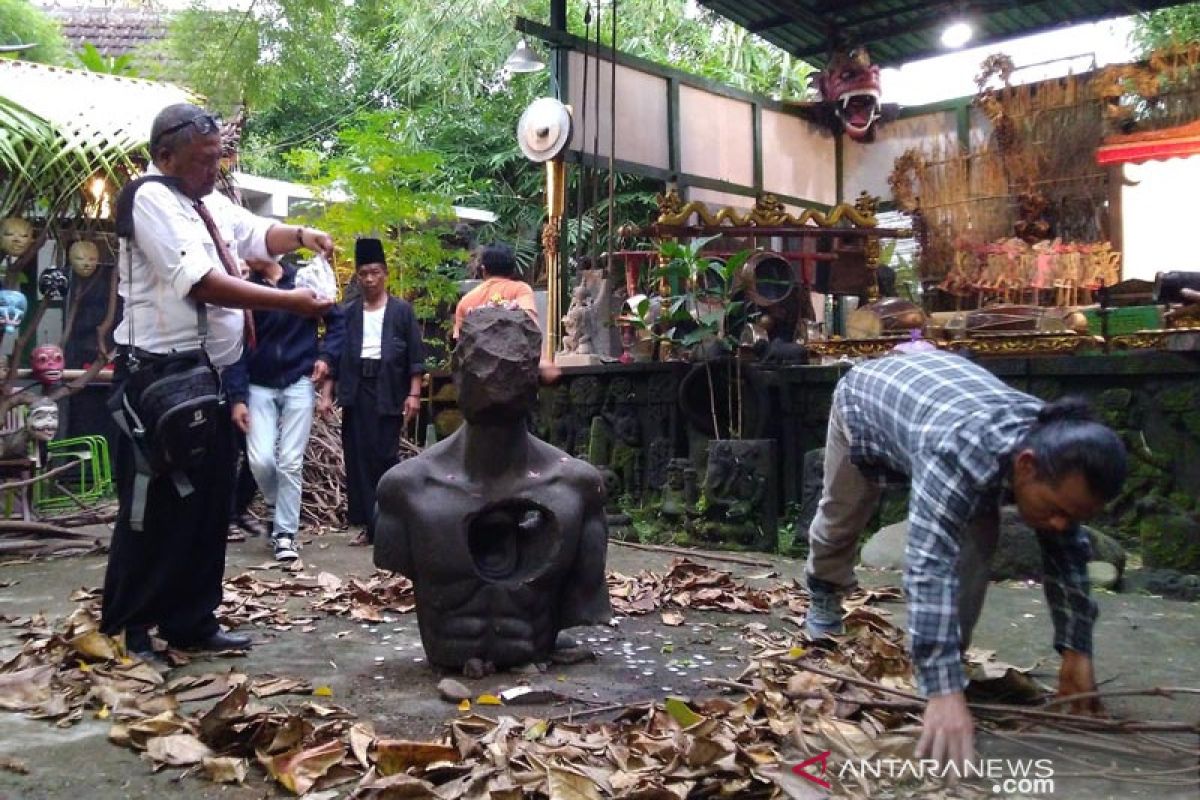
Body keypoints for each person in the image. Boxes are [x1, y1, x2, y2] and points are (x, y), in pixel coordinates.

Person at [804, 350, 1126, 769]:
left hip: (935, 400)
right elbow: (929, 564)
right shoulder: (955, 449)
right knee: (842, 515)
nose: (1061, 524)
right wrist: (942, 692)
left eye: (1076, 516)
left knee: (980, 533)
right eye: (1056, 509)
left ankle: (950, 659)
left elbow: (1067, 553)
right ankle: (824, 591)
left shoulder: (1054, 443)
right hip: (865, 400)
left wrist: (1077, 650)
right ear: (1026, 467)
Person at [101, 102, 334, 661]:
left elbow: (256, 235)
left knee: (208, 507)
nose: (213, 169)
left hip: (209, 378)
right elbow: (201, 283)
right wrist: (291, 302)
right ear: (166, 155)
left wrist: (303, 234)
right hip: (160, 378)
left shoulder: (208, 202)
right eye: (203, 160)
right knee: (152, 505)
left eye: (217, 158)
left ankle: (192, 620)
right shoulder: (150, 199)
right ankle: (132, 628)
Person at [224, 256, 345, 561]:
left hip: (298, 381)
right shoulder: (242, 290)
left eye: (251, 247)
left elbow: (337, 320)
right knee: (261, 460)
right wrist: (237, 397)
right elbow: (233, 347)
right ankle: (278, 505)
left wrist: (327, 358)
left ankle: (285, 534)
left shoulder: (305, 281)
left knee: (291, 461)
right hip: (257, 384)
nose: (245, 253)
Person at [322, 238, 424, 547]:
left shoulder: (402, 312)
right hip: (356, 389)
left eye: (375, 272)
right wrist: (326, 394)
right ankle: (370, 524)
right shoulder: (348, 313)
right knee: (358, 458)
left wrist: (414, 394)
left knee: (385, 456)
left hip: (389, 387)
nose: (369, 279)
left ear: (385, 274)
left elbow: (415, 357)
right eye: (364, 273)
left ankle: (391, 523)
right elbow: (335, 356)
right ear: (357, 275)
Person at [453, 243, 537, 339]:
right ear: (512, 268)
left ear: (483, 269)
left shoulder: (466, 301)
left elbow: (457, 339)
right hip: (515, 352)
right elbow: (532, 326)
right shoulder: (521, 290)